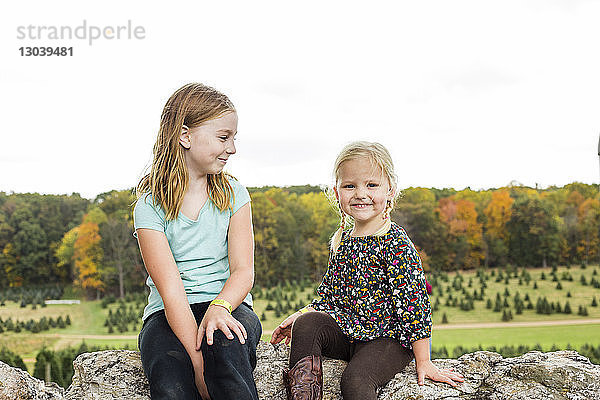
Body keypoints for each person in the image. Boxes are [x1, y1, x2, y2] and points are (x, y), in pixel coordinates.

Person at [271, 141, 463, 400]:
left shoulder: (395, 243)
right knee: (307, 323)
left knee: (355, 380)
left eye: (371, 185)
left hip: (388, 340)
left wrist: (424, 361)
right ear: (337, 191)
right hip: (350, 331)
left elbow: (414, 306)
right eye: (350, 186)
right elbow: (330, 296)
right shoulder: (344, 240)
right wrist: (301, 314)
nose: (360, 193)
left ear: (390, 190)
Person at [134, 83, 261, 400]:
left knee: (226, 349)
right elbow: (171, 289)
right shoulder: (149, 208)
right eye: (223, 137)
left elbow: (243, 271)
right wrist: (196, 362)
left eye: (233, 138)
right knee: (169, 374)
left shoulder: (235, 195)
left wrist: (220, 307)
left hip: (228, 305)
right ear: (185, 136)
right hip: (168, 314)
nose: (232, 148)